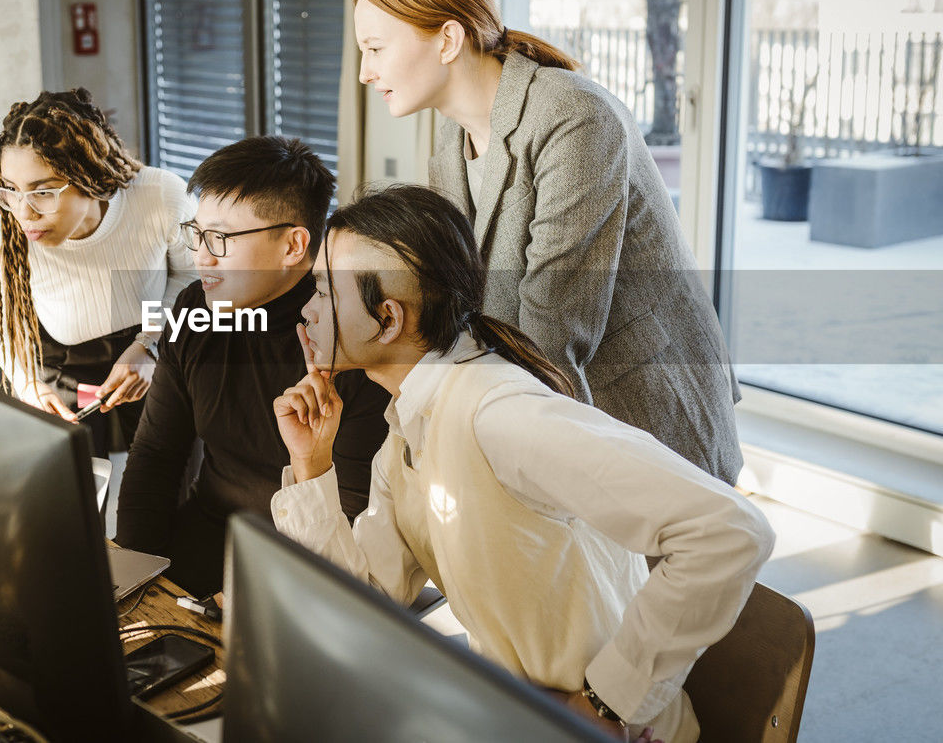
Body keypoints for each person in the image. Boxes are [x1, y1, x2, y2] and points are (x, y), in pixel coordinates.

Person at [272, 184, 774, 743]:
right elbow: (363, 601)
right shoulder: (408, 427)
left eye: (321, 290)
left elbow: (729, 530)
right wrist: (313, 467)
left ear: (388, 319)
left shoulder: (499, 414)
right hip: (514, 716)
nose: (306, 309)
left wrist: (608, 702)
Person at [353, 0, 742, 485]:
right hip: (548, 411)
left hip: (640, 410)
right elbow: (463, 294)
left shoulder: (574, 119)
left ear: (446, 39)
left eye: (374, 49)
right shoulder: (452, 137)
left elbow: (550, 329)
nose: (365, 72)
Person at [114, 136, 389, 596]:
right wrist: (131, 573)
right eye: (197, 234)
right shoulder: (193, 309)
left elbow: (353, 514)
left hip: (305, 565)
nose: (200, 256)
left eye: (220, 239)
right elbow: (155, 457)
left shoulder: (351, 340)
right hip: (205, 539)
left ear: (293, 245)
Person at [0, 88, 197, 458]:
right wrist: (27, 387)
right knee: (72, 498)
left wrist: (151, 346)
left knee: (167, 488)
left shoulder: (161, 197)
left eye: (42, 192)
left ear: (89, 177)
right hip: (57, 364)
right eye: (10, 190)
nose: (24, 213)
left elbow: (193, 281)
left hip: (154, 344)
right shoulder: (0, 234)